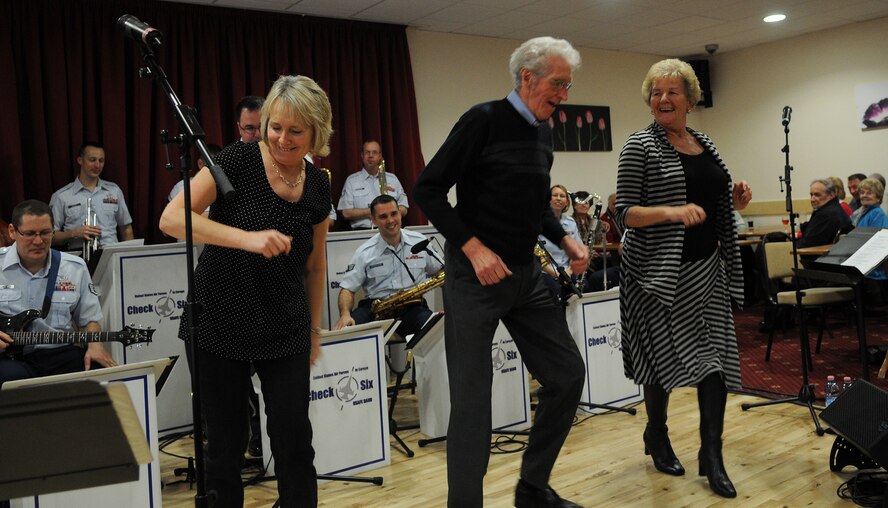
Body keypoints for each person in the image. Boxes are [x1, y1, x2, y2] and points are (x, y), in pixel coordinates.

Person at [413, 36, 588, 508]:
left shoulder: (543, 132)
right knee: (472, 401)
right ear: (527, 77)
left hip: (524, 276)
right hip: (474, 278)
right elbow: (427, 189)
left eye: (568, 86)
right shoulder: (483, 120)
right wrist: (474, 248)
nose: (564, 95)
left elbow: (535, 203)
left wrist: (565, 238)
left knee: (567, 375)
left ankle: (532, 487)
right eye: (558, 84)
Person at [159, 75, 333, 507]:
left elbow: (315, 266)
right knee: (225, 444)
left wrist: (313, 330)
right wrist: (248, 238)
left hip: (286, 324)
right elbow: (171, 219)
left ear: (316, 132)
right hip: (220, 320)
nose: (283, 139)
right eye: (276, 127)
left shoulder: (318, 184)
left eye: (296, 131)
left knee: (295, 440)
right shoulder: (237, 159)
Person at [615, 58, 752, 499]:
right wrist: (672, 212)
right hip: (655, 276)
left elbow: (712, 199)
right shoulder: (639, 146)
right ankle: (657, 433)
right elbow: (624, 214)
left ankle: (711, 454)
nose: (663, 99)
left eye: (672, 92)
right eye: (656, 92)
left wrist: (735, 200)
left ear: (690, 100)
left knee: (715, 362)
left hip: (707, 270)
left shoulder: (704, 143)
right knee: (658, 362)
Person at [1, 200, 115, 385]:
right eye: (29, 234)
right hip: (9, 357)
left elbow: (89, 320)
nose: (38, 241)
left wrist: (95, 345)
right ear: (12, 232)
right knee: (11, 376)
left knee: (97, 369)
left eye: (45, 233)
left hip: (58, 353)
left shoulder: (74, 268)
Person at [333, 194, 442, 338]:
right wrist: (345, 314)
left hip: (412, 308)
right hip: (376, 309)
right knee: (349, 330)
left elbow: (441, 273)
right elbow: (347, 290)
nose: (390, 220)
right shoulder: (364, 252)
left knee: (434, 327)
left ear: (400, 214)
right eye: (383, 217)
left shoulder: (420, 242)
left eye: (394, 214)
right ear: (373, 220)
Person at [49, 142, 134, 252]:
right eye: (92, 160)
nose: (97, 165)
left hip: (111, 252)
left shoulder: (114, 191)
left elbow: (126, 228)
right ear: (80, 160)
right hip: (78, 255)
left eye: (101, 161)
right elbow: (50, 236)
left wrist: (129, 255)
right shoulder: (61, 196)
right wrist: (74, 233)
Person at [337, 140, 409, 229]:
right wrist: (376, 211)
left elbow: (404, 208)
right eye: (367, 152)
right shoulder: (351, 181)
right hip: (362, 232)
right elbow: (346, 213)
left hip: (391, 230)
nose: (370, 156)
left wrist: (385, 213)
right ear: (362, 156)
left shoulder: (392, 179)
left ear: (380, 156)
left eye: (374, 152)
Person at [851, 178, 888, 282]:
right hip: (862, 266)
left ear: (878, 197)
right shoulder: (862, 213)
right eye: (862, 192)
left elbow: (876, 244)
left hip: (873, 272)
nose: (864, 195)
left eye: (869, 193)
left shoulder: (877, 213)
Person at [798, 179, 851, 248]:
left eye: (817, 195)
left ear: (831, 195)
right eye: (811, 195)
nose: (812, 199)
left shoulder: (827, 214)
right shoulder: (832, 209)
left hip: (819, 253)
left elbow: (808, 244)